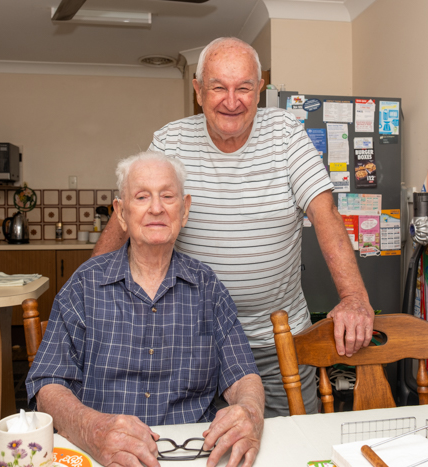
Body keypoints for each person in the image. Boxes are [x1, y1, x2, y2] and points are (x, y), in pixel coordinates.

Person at [93, 37, 374, 417]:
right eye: (218, 87)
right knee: (199, 447)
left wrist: (354, 297)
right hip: (192, 342)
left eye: (243, 87)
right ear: (198, 90)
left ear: (259, 90)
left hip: (280, 342)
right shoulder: (171, 141)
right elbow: (128, 216)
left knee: (291, 446)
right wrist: (89, 291)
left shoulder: (286, 134)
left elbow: (325, 215)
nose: (231, 100)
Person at [26, 151, 264, 467]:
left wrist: (248, 412)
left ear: (185, 208)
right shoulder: (85, 284)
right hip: (99, 454)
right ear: (121, 214)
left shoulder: (208, 287)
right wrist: (93, 429)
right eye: (142, 197)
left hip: (193, 454)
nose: (156, 208)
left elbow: (243, 375)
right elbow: (47, 385)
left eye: (167, 196)